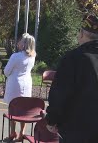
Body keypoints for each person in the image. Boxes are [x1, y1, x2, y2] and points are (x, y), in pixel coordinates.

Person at [45, 9, 98, 142]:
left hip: (76, 130)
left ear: (81, 34)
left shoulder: (73, 58)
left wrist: (52, 120)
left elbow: (60, 93)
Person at [3, 33, 36, 141]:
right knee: (24, 109)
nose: (19, 42)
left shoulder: (15, 56)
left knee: (13, 107)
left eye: (21, 40)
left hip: (15, 83)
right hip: (27, 83)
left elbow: (6, 71)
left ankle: (13, 132)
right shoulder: (33, 56)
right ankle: (22, 133)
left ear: (24, 44)